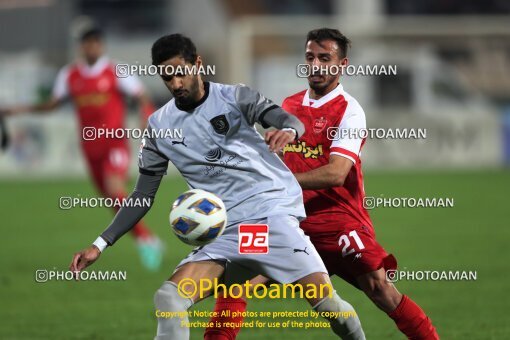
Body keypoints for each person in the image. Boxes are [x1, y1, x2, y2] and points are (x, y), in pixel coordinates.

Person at [69, 33, 366, 340]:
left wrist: (288, 129)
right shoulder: (159, 127)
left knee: (328, 305)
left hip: (270, 217)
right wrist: (100, 244)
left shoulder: (234, 97)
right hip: (224, 230)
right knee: (169, 300)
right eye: (166, 77)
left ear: (198, 64)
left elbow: (286, 119)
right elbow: (143, 196)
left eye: (180, 72)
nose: (175, 84)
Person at [205, 28, 440, 340]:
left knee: (380, 288)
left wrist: (282, 181)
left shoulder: (349, 111)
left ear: (342, 64)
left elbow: (336, 173)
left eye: (324, 58)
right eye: (310, 57)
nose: (315, 65)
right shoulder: (288, 106)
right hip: (287, 220)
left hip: (337, 220)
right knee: (236, 278)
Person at [1, 28, 163, 270]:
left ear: (101, 45)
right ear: (81, 47)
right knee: (112, 199)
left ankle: (147, 240)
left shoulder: (115, 70)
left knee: (114, 187)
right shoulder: (70, 74)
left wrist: (145, 114)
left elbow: (141, 96)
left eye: (95, 43)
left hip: (114, 142)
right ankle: (145, 237)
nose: (91, 47)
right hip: (89, 147)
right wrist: (18, 110)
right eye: (87, 43)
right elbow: (52, 104)